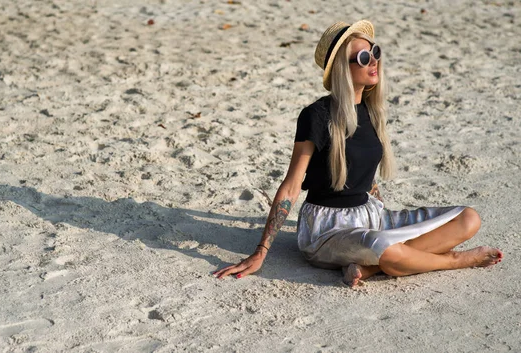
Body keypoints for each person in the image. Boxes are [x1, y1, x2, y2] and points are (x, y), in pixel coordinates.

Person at [213, 20, 503, 286]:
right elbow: (291, 185)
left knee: (468, 218)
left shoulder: (371, 111)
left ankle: (370, 267)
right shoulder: (316, 115)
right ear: (342, 68)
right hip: (327, 230)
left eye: (374, 52)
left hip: (369, 217)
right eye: (363, 58)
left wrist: (382, 213)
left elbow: (366, 176)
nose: (373, 60)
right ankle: (457, 260)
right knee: (386, 248)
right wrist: (261, 251)